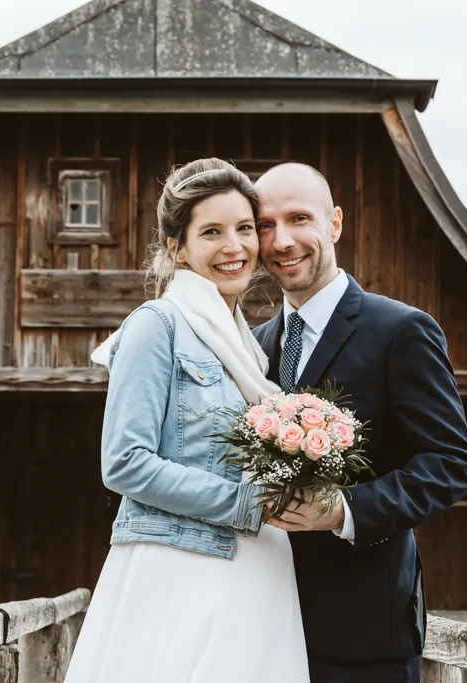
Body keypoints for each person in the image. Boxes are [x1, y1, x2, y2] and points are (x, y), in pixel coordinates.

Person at [64, 158, 310, 683]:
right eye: (212, 232)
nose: (235, 247)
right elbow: (125, 464)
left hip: (257, 568)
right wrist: (245, 503)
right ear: (177, 247)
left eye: (245, 229)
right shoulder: (158, 326)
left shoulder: (248, 344)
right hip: (183, 565)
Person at [250, 163, 467, 683]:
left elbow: (452, 463)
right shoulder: (254, 346)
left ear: (334, 223)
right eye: (265, 225)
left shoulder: (401, 331)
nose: (282, 240)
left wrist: (344, 510)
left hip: (366, 629)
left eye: (299, 219)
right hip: (262, 619)